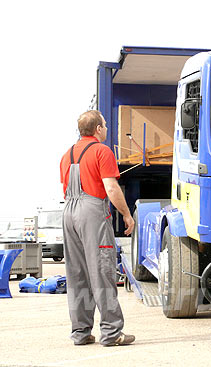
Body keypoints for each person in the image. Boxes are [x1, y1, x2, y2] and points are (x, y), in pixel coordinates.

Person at [60, 110, 136, 346]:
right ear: (98, 129)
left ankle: (81, 332)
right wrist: (126, 214)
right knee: (102, 271)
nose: (105, 128)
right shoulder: (102, 151)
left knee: (77, 274)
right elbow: (111, 188)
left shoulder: (66, 155)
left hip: (69, 212)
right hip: (91, 212)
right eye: (104, 125)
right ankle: (112, 333)